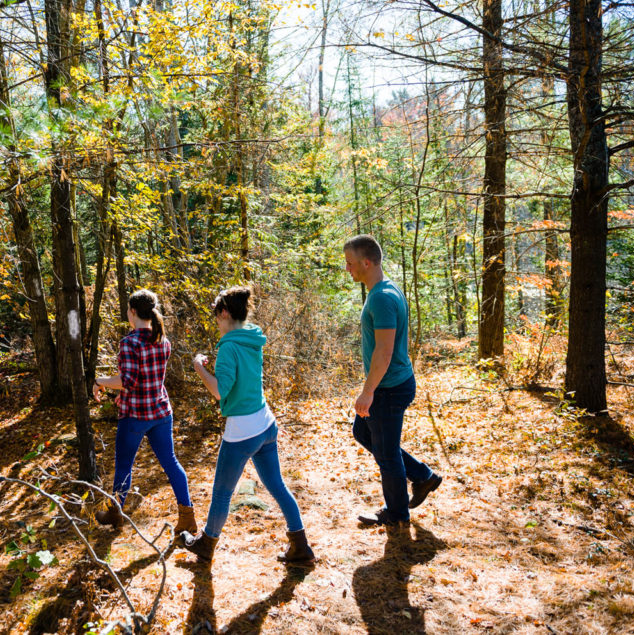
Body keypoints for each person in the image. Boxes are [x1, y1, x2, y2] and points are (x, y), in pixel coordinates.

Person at [181, 286, 314, 567]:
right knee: (277, 485)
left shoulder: (229, 345)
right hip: (265, 423)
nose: (216, 324)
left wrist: (199, 368)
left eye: (217, 317)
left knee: (222, 492)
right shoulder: (252, 338)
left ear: (225, 313)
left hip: (242, 431)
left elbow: (220, 391)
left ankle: (206, 544)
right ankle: (300, 546)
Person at [343, 235, 442, 526]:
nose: (347, 269)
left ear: (366, 262)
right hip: (392, 383)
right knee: (364, 433)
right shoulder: (385, 290)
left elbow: (384, 353)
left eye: (350, 263)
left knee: (386, 454)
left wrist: (367, 391)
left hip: (388, 387)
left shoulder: (383, 298)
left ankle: (397, 514)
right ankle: (423, 476)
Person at [92, 290, 196, 536]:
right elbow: (146, 378)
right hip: (160, 412)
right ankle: (187, 517)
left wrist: (100, 381)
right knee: (171, 463)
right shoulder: (163, 341)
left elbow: (128, 380)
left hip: (136, 416)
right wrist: (121, 390)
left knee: (124, 466)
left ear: (133, 312)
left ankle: (116, 514)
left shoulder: (129, 343)